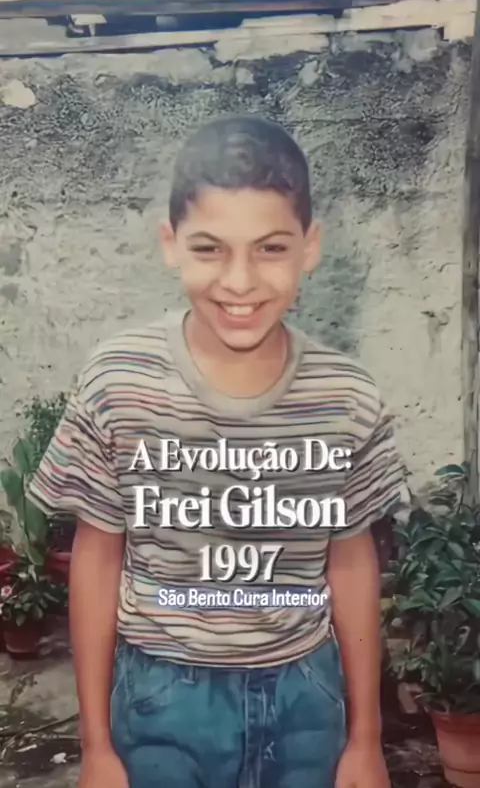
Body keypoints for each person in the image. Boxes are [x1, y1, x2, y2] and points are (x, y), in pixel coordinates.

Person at [28, 114, 408, 788]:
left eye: (270, 248)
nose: (239, 281)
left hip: (306, 694)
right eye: (210, 249)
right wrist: (96, 747)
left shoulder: (347, 397)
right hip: (159, 697)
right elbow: (96, 557)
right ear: (170, 244)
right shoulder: (119, 381)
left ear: (310, 247)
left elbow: (352, 562)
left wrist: (365, 741)